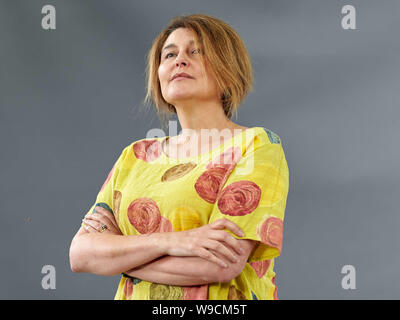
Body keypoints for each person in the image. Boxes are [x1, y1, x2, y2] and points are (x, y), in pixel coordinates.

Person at [69, 13, 289, 300]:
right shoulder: (135, 156)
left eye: (196, 51)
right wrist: (174, 241)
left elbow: (222, 264)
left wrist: (122, 259)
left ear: (228, 68)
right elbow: (81, 254)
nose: (179, 60)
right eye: (169, 54)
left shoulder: (256, 146)